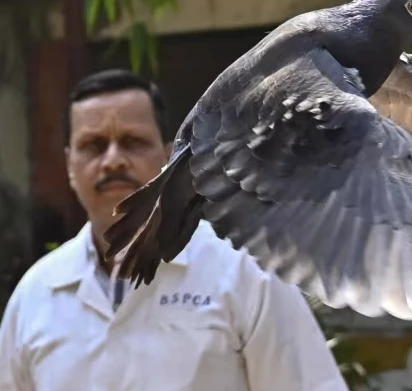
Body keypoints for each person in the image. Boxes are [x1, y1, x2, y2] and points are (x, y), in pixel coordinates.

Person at [0, 69, 349, 391]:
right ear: (69, 166)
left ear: (169, 157)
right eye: (93, 145)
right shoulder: (35, 297)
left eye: (133, 141)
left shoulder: (245, 273)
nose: (113, 159)